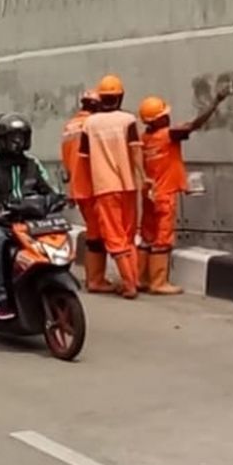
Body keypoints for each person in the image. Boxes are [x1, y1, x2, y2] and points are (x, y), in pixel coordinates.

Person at [137, 86, 230, 294]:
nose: (168, 118)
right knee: (162, 238)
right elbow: (195, 124)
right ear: (157, 120)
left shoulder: (145, 139)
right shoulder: (167, 135)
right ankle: (158, 282)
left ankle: (140, 278)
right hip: (164, 195)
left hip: (149, 194)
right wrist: (215, 101)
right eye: (164, 115)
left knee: (147, 237)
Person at [0, 113, 54, 321]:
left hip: (30, 222)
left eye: (21, 137)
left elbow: (48, 188)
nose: (17, 142)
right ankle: (0, 298)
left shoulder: (33, 164)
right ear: (0, 141)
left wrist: (57, 198)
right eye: (12, 138)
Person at [80, 74, 148, 299]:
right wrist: (143, 176)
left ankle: (129, 285)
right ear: (120, 96)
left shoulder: (90, 124)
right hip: (129, 185)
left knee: (115, 238)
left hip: (104, 188)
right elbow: (136, 150)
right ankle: (134, 279)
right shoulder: (128, 120)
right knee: (128, 236)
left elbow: (84, 157)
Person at [61, 89, 114, 294]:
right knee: (97, 234)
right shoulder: (92, 125)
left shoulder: (69, 126)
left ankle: (95, 278)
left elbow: (67, 159)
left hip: (77, 186)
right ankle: (95, 280)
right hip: (92, 185)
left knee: (94, 230)